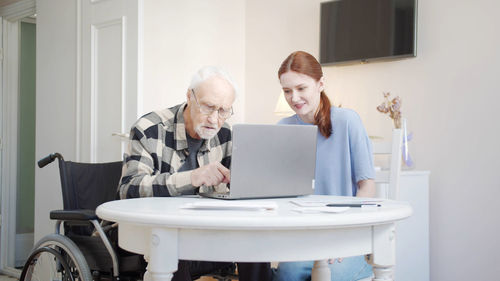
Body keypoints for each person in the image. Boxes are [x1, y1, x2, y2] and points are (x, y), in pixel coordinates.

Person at [118, 66, 272, 281]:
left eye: (223, 110)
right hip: (159, 233)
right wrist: (192, 177)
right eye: (208, 107)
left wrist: (248, 182)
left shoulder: (225, 133)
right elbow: (129, 188)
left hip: (208, 231)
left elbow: (244, 188)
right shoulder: (150, 129)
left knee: (255, 242)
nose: (214, 119)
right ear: (190, 96)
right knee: (174, 244)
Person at [273, 51, 376, 281]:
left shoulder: (348, 121)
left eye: (301, 88)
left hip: (345, 238)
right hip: (303, 239)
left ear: (320, 84)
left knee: (328, 275)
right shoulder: (283, 128)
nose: (294, 97)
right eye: (287, 91)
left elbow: (367, 187)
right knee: (287, 273)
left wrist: (346, 238)